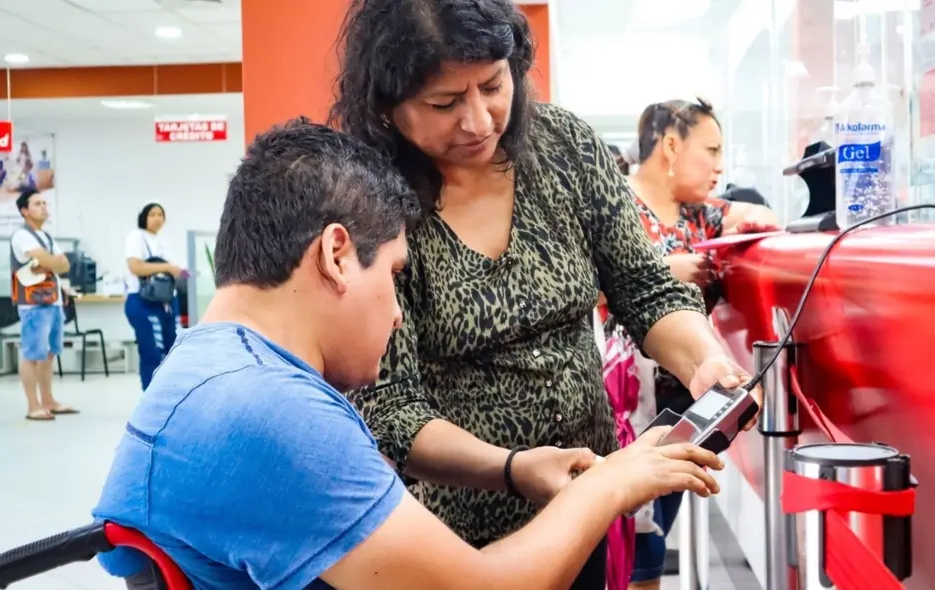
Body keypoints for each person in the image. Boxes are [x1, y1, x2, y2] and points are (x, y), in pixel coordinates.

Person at [91, 118, 724, 590]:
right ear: (337, 255)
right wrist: (612, 483)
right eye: (394, 275)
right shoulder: (272, 416)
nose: (399, 313)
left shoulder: (212, 367)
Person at [329, 1, 763, 586]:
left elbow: (643, 286)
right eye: (445, 103)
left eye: (492, 85)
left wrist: (703, 359)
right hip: (459, 535)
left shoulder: (563, 147)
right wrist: (512, 469)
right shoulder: (373, 199)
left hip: (586, 503)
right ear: (387, 106)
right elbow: (391, 407)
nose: (479, 120)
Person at [606, 99, 778, 589]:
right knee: (632, 538)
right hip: (621, 404)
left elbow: (752, 210)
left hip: (687, 403)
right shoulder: (613, 206)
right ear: (672, 146)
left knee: (652, 535)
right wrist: (665, 269)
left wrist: (748, 216)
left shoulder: (699, 217)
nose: (720, 164)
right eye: (712, 149)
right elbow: (576, 286)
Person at [10, 190, 78, 421]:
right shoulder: (22, 236)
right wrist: (51, 262)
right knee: (32, 354)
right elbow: (54, 261)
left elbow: (65, 265)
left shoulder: (46, 237)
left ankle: (48, 400)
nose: (43, 206)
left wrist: (48, 264)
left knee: (49, 354)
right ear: (24, 210)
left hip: (54, 300)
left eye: (44, 202)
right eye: (37, 203)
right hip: (33, 304)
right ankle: (33, 405)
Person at [123, 202, 183, 390]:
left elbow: (176, 271)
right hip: (142, 302)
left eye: (160, 214)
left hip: (165, 302)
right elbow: (135, 267)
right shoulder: (136, 237)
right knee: (151, 351)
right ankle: (149, 395)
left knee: (170, 350)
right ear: (144, 217)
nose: (157, 218)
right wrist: (166, 267)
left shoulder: (162, 240)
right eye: (152, 214)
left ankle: (166, 394)